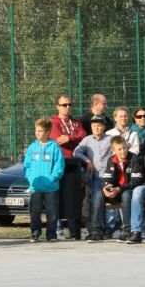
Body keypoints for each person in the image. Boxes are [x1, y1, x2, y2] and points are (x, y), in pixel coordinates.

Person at [50, 94, 86, 240]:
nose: (68, 107)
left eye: (70, 104)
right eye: (64, 105)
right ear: (58, 106)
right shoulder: (54, 122)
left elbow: (83, 136)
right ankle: (58, 230)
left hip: (75, 163)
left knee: (74, 197)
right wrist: (73, 140)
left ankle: (74, 231)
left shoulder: (76, 122)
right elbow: (58, 140)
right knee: (58, 196)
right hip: (60, 162)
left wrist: (70, 138)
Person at [73, 114, 113, 242]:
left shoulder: (111, 139)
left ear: (104, 127)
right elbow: (76, 152)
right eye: (94, 125)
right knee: (95, 201)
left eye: (99, 125)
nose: (96, 128)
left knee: (99, 200)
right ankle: (96, 230)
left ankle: (102, 229)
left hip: (109, 177)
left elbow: (122, 147)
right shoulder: (87, 140)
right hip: (95, 177)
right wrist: (87, 160)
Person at [24, 117, 65, 242]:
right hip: (35, 187)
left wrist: (52, 178)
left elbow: (59, 166)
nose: (37, 133)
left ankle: (51, 235)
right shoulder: (32, 147)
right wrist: (31, 179)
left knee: (52, 212)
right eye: (36, 130)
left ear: (48, 132)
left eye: (40, 131)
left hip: (51, 187)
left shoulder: (54, 147)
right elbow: (27, 166)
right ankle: (35, 233)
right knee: (34, 211)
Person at [102, 136, 145, 241]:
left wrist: (119, 189)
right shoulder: (110, 160)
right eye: (119, 149)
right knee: (98, 195)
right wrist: (106, 188)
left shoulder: (135, 159)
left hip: (129, 191)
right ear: (113, 150)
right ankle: (98, 230)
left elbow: (136, 181)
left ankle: (127, 230)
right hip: (116, 192)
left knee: (126, 195)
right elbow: (107, 178)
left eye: (125, 148)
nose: (123, 151)